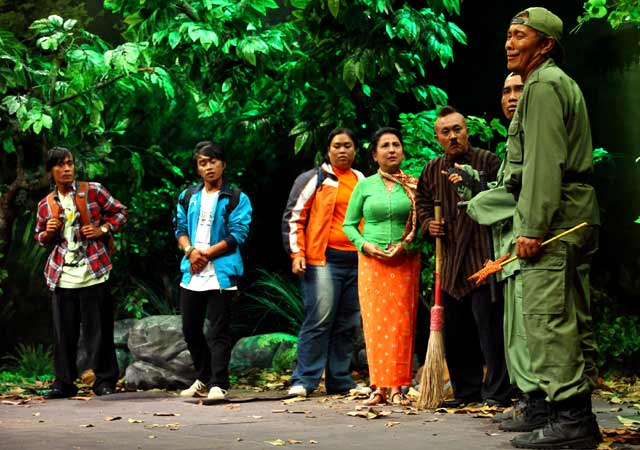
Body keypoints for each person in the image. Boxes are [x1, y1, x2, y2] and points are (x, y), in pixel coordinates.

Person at [499, 7, 601, 448]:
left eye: (520, 36)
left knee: (547, 317)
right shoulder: (558, 83)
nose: (509, 42)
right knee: (563, 314)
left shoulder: (541, 87)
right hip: (576, 210)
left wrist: (533, 227)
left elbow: (543, 162)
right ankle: (551, 409)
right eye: (508, 34)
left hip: (556, 217)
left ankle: (571, 419)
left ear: (545, 45)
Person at [464, 73, 548, 430]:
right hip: (511, 252)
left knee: (530, 335)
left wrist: (478, 202)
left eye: (519, 89)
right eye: (506, 91)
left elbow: (527, 186)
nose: (512, 97)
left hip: (530, 248)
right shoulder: (516, 137)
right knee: (515, 334)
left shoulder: (537, 131)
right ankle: (529, 403)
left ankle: (542, 406)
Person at [415, 106, 511, 407]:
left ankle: (497, 393)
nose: (453, 136)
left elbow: (505, 197)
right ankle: (466, 393)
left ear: (467, 130)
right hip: (451, 264)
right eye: (446, 132)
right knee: (456, 334)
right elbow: (421, 204)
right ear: (437, 137)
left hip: (485, 261)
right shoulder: (432, 169)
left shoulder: (489, 161)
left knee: (491, 334)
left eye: (457, 129)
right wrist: (428, 223)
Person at [35, 147, 127, 398]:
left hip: (94, 271)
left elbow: (121, 212)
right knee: (64, 333)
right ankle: (64, 383)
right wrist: (48, 232)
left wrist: (104, 229)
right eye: (60, 165)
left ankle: (104, 381)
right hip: (62, 275)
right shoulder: (46, 204)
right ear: (50, 171)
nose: (66, 169)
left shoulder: (92, 191)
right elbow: (40, 237)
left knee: (99, 331)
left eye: (70, 163)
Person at [282, 128, 366, 397]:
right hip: (323, 260)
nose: (342, 151)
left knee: (348, 322)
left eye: (348, 146)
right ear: (328, 151)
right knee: (319, 320)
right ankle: (304, 380)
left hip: (357, 260)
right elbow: (294, 217)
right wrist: (297, 254)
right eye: (337, 146)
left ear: (355, 150)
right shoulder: (314, 179)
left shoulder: (362, 180)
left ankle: (339, 379)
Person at [342, 127, 420, 406]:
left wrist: (407, 245)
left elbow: (421, 225)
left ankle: (399, 385)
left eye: (396, 145)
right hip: (372, 262)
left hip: (405, 261)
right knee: (375, 324)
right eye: (385, 146)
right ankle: (378, 386)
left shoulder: (413, 185)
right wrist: (364, 245)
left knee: (401, 322)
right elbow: (349, 225)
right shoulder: (365, 186)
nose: (391, 150)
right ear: (375, 155)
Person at [175, 141, 252, 400]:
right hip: (192, 272)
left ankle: (219, 383)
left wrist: (205, 254)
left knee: (219, 330)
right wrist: (191, 252)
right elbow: (180, 229)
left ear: (223, 164)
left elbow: (237, 235)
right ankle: (203, 378)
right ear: (197, 168)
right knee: (190, 329)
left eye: (213, 161)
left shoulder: (236, 197)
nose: (208, 167)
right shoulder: (188, 196)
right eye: (202, 163)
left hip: (221, 271)